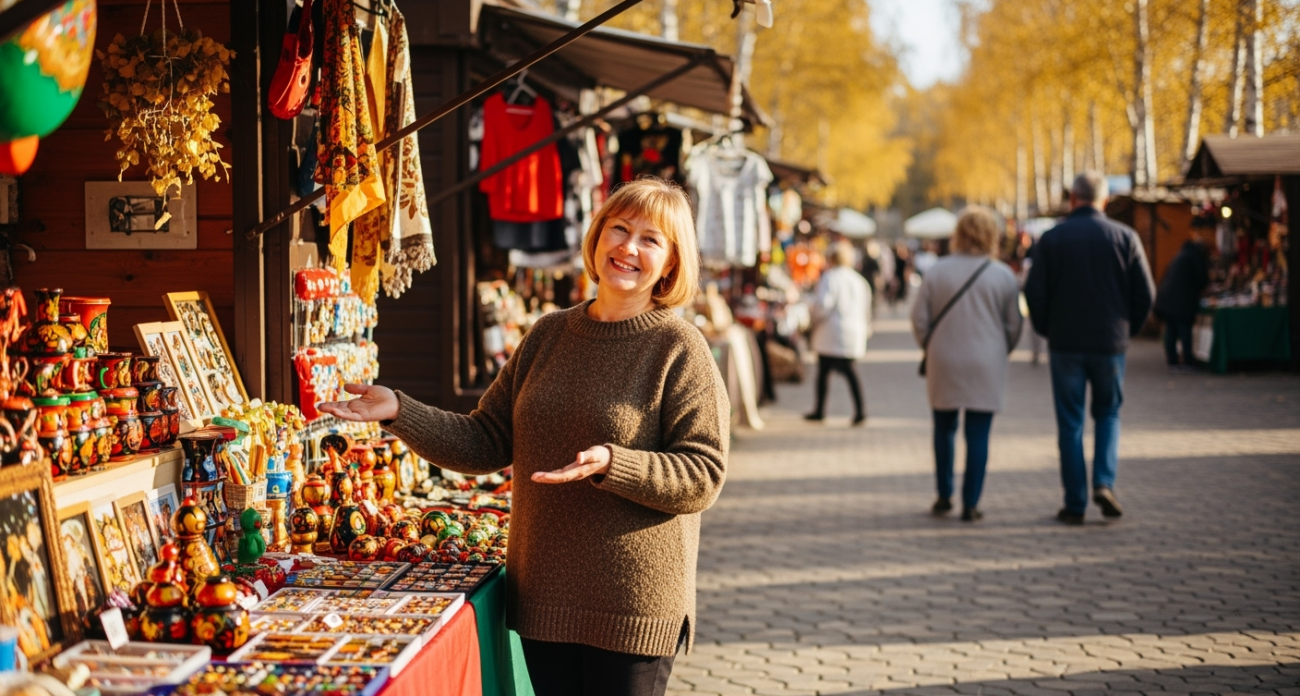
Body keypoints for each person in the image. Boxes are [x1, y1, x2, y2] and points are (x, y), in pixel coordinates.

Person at [319, 178, 728, 696]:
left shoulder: (679, 347)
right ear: (597, 236)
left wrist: (612, 462)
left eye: (651, 239)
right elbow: (486, 440)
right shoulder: (549, 334)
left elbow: (703, 475)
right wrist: (400, 411)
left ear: (671, 262)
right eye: (619, 229)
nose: (628, 247)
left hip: (631, 605)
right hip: (545, 598)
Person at [1025, 171, 1155, 525]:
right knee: (1108, 414)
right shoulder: (1125, 237)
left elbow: (1034, 292)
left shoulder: (1052, 240)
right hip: (1110, 343)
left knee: (1070, 424)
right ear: (1105, 201)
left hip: (1065, 343)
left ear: (1072, 199)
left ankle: (1075, 502)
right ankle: (1103, 481)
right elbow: (1146, 293)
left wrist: (1046, 329)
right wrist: (1127, 329)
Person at [911, 206, 1023, 521]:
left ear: (957, 235)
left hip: (943, 359)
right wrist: (1002, 349)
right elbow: (1014, 324)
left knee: (943, 428)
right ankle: (971, 502)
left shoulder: (937, 271)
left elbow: (919, 318)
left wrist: (930, 346)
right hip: (986, 361)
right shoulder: (1002, 275)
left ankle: (944, 494)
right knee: (978, 434)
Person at [805, 241, 871, 425]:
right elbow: (867, 308)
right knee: (850, 372)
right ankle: (859, 410)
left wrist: (812, 316)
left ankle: (820, 410)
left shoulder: (830, 278)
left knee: (824, 372)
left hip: (832, 332)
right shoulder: (859, 280)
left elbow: (823, 305)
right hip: (852, 332)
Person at [1154, 234, 1210, 371]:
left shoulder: (1180, 255)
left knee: (1171, 331)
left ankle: (1172, 360)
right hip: (1182, 302)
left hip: (1167, 300)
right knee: (1184, 330)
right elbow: (1202, 278)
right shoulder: (1194, 256)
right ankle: (1188, 360)